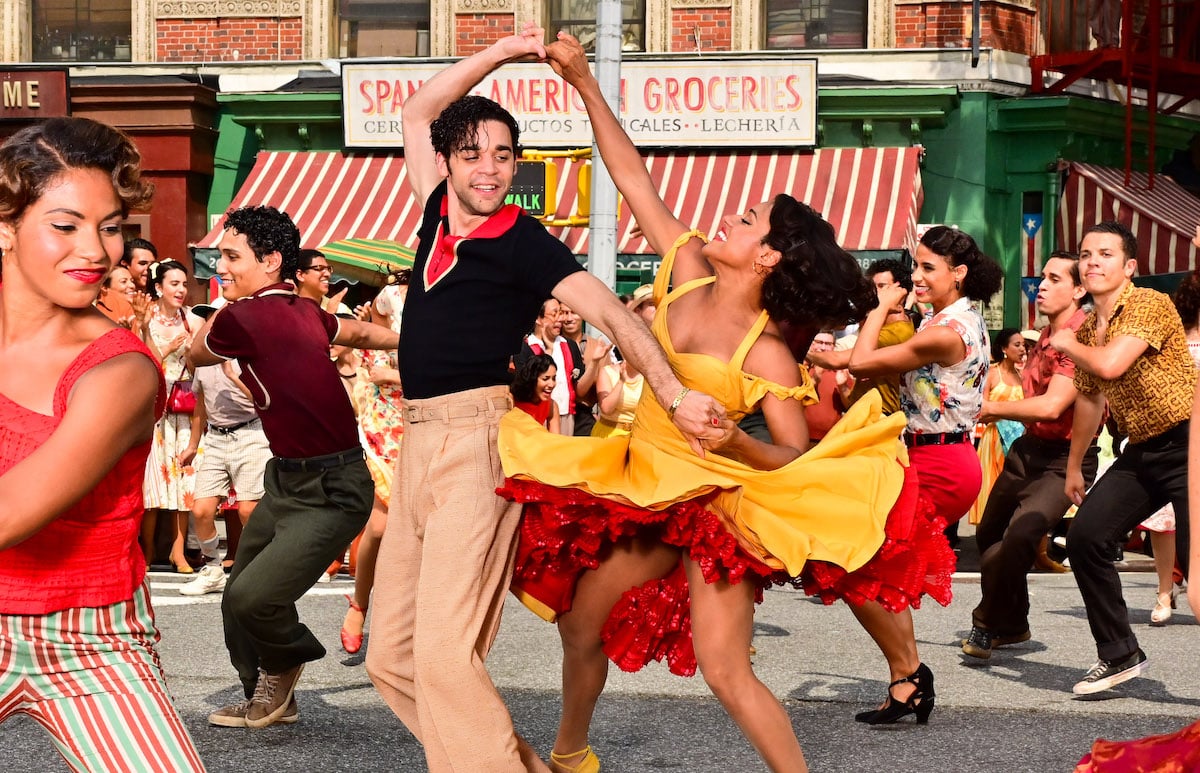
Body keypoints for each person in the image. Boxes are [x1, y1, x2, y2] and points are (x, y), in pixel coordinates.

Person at [497, 31, 946, 772]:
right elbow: (632, 175)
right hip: (639, 484)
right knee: (579, 626)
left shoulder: (765, 351)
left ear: (769, 255)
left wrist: (734, 444)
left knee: (726, 669)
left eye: (751, 218)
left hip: (713, 507)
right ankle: (571, 755)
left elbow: (793, 454)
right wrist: (582, 83)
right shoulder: (685, 268)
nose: (732, 215)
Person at [362, 24, 722, 773]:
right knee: (391, 657)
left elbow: (616, 314)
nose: (490, 169)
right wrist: (500, 53)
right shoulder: (432, 210)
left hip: (479, 440)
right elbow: (417, 110)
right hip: (417, 439)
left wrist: (675, 392)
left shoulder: (524, 239)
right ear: (447, 162)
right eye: (473, 154)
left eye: (503, 154)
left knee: (444, 657)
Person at [0, 116, 206, 771]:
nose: (95, 250)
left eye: (110, 226)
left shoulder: (121, 369)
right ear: (5, 226)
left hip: (89, 637)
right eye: (65, 225)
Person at [188, 205, 399, 729]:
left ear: (271, 260)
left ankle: (287, 660)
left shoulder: (240, 316)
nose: (222, 267)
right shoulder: (305, 310)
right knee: (241, 596)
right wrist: (415, 342)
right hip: (289, 480)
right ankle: (269, 695)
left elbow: (195, 355)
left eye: (232, 257)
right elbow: (359, 335)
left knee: (250, 596)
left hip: (331, 488)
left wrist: (220, 306)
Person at [846, 224, 1003, 723]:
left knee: (855, 566)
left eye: (927, 268)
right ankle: (906, 680)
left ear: (958, 274)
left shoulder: (942, 331)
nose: (914, 277)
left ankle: (910, 674)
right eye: (914, 266)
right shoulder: (954, 319)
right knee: (878, 567)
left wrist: (878, 305)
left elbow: (860, 361)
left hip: (939, 462)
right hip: (934, 455)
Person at [1049, 220, 1195, 695]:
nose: (1092, 261)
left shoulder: (1150, 303)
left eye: (1106, 253)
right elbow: (1090, 399)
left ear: (1130, 266)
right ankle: (1119, 654)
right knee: (1086, 537)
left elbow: (1111, 364)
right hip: (1144, 450)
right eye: (1086, 254)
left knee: (1196, 578)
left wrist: (1066, 342)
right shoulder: (1091, 326)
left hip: (1190, 443)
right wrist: (1075, 465)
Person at [962, 251, 1099, 659]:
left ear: (1078, 290)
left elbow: (1052, 407)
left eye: (1054, 279)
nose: (1041, 285)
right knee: (988, 535)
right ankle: (1016, 622)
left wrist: (986, 408)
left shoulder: (1082, 338)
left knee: (1020, 536)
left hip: (1066, 457)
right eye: (1042, 277)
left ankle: (986, 620)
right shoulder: (1042, 336)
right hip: (1027, 450)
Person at [178, 325, 270, 597]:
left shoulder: (248, 357)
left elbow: (265, 402)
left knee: (247, 511)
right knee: (202, 510)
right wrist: (193, 446)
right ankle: (213, 569)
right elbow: (201, 406)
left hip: (251, 432)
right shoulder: (204, 362)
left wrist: (233, 375)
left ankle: (258, 570)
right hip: (216, 438)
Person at [139, 259, 203, 574]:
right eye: (173, 283)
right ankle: (147, 548)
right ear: (159, 286)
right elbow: (143, 364)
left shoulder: (192, 320)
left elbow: (200, 370)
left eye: (183, 284)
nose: (180, 289)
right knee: (153, 483)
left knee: (183, 483)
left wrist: (191, 352)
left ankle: (179, 552)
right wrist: (168, 350)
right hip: (154, 411)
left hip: (182, 411)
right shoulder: (146, 320)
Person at [806, 258, 915, 415]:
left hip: (879, 421)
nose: (875, 293)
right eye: (872, 287)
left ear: (902, 292)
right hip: (865, 415)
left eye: (882, 287)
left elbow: (836, 360)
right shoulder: (882, 327)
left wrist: (803, 352)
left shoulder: (896, 333)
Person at [967, 327, 1027, 524]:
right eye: (1017, 345)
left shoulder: (1022, 377)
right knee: (992, 484)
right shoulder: (991, 375)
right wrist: (1003, 415)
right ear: (1003, 348)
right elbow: (979, 412)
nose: (1022, 350)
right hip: (994, 440)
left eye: (1023, 346)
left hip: (1018, 441)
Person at [516, 298, 583, 436]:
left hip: (565, 414)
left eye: (561, 313)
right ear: (538, 319)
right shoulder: (525, 347)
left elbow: (578, 384)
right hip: (534, 415)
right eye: (554, 314)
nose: (560, 319)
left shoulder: (569, 345)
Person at [558, 300, 611, 436]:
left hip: (587, 415)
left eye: (574, 313)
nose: (569, 318)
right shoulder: (553, 346)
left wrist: (601, 417)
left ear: (582, 315)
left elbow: (606, 388)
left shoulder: (597, 347)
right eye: (564, 313)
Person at [511, 353, 561, 432]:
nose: (551, 384)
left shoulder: (551, 406)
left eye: (554, 378)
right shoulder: (512, 402)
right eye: (545, 379)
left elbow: (556, 440)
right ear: (532, 379)